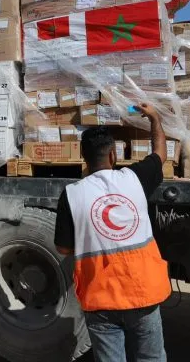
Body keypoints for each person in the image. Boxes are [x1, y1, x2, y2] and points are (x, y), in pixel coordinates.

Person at [55, 103, 171, 362]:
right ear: (113, 155)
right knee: (152, 358)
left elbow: (63, 248)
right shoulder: (135, 178)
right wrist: (154, 117)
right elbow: (160, 153)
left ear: (83, 157)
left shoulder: (71, 194)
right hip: (142, 292)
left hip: (101, 296)